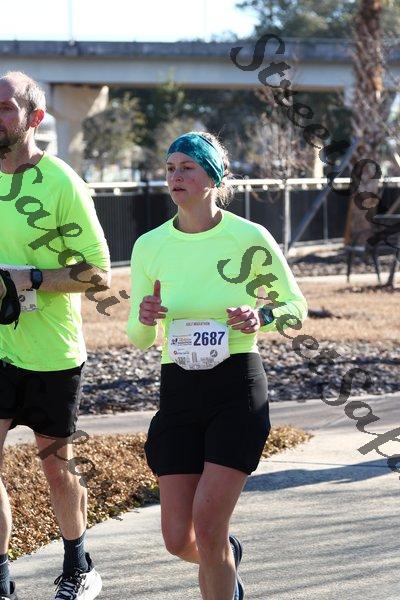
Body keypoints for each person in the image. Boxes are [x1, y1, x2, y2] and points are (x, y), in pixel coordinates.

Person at [127, 131, 308, 599]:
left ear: (213, 177)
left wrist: (261, 316)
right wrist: (144, 318)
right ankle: (226, 559)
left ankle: (219, 561)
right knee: (178, 539)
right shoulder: (150, 245)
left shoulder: (248, 237)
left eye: (187, 167)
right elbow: (139, 337)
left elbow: (295, 307)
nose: (176, 176)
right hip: (179, 391)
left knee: (209, 526)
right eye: (170, 168)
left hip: (236, 388)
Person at [0, 71, 110, 600]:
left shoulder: (62, 182)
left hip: (52, 352)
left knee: (56, 467)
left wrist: (32, 278)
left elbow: (98, 274)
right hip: (0, 348)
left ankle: (79, 565)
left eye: (5, 108)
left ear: (34, 118)